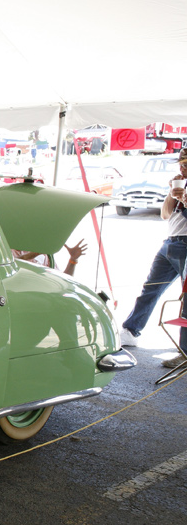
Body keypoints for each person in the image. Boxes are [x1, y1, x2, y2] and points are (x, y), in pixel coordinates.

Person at [119, 147, 187, 367]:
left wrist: (184, 200)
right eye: (181, 163)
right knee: (151, 287)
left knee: (185, 300)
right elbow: (165, 214)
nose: (182, 168)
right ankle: (130, 330)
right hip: (171, 241)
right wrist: (171, 193)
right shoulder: (180, 183)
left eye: (186, 164)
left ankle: (184, 353)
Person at [13, 239, 88, 276]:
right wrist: (32, 254)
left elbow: (64, 281)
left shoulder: (47, 257)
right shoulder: (12, 249)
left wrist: (73, 259)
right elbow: (10, 266)